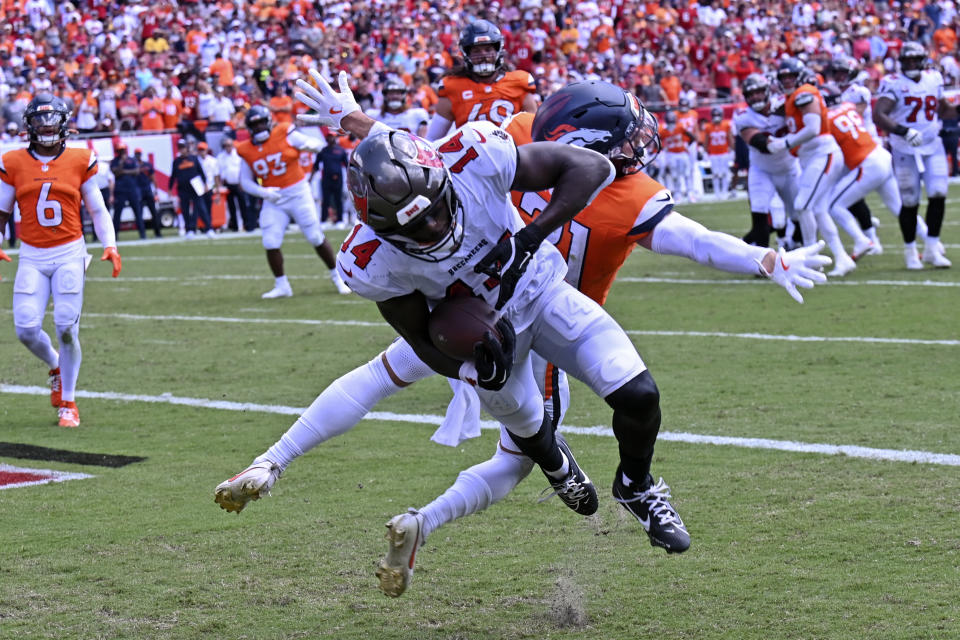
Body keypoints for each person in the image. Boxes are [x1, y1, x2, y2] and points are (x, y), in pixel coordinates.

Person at [215, 73, 831, 596]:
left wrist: (764, 260)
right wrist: (469, 363)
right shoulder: (385, 242)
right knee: (518, 435)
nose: (431, 225)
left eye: (436, 211)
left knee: (637, 397)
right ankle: (548, 464)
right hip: (481, 335)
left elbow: (688, 237)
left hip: (547, 296)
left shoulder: (505, 157)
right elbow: (409, 172)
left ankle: (632, 486)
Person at [0, 93, 122, 428]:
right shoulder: (13, 161)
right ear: (29, 125)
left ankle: (68, 402)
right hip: (32, 254)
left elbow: (97, 209)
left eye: (52, 119)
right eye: (40, 120)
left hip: (69, 251)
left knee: (67, 327)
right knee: (25, 329)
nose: (47, 126)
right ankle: (55, 364)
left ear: (64, 122)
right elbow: (1, 212)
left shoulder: (81, 158)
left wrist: (110, 243)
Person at [235, 105, 350, 297]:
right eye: (254, 125)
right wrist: (264, 192)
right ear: (248, 127)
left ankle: (337, 277)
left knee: (315, 236)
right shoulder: (246, 149)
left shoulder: (284, 133)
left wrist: (311, 145)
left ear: (269, 122)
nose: (259, 127)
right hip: (274, 199)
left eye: (262, 122)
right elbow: (245, 182)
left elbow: (309, 143)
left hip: (298, 194)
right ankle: (282, 285)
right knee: (270, 241)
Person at [768, 57, 856, 277]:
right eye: (783, 77)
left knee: (802, 205)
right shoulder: (791, 97)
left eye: (790, 76)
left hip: (822, 153)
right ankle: (842, 258)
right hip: (813, 156)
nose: (787, 81)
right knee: (818, 210)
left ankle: (809, 259)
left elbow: (813, 128)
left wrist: (784, 143)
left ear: (799, 76)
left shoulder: (804, 92)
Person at [874, 41, 955, 268]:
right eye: (906, 60)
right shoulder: (893, 83)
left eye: (914, 60)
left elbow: (943, 109)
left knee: (938, 194)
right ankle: (910, 252)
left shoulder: (934, 79)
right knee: (909, 201)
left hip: (932, 143)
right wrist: (903, 131)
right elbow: (879, 114)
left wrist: (956, 109)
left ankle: (932, 249)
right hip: (904, 147)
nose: (910, 64)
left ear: (922, 61)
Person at [426, 20, 538, 140]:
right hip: (471, 157)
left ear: (498, 51)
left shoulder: (519, 82)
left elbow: (535, 133)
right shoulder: (453, 87)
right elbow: (432, 139)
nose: (483, 55)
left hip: (514, 156)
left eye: (488, 50)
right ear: (466, 54)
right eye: (476, 51)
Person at [735, 73, 801, 250]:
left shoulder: (784, 104)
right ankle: (762, 261)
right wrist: (781, 142)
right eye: (751, 94)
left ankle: (795, 245)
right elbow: (758, 141)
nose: (755, 96)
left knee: (799, 214)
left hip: (789, 168)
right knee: (759, 213)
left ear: (767, 91)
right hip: (762, 169)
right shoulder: (743, 115)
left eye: (758, 92)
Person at [169, 139, 210, 237]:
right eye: (179, 148)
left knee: (201, 208)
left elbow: (201, 172)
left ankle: (209, 228)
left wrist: (205, 184)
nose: (181, 150)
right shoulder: (176, 162)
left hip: (195, 188)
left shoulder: (194, 158)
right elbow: (173, 176)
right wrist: (169, 189)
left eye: (183, 147)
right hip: (183, 189)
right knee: (185, 210)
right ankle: (189, 230)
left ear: (186, 148)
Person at [311, 131, 348, 227]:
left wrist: (351, 178)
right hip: (326, 179)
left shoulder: (341, 150)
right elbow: (316, 165)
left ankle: (340, 221)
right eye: (329, 137)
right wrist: (310, 179)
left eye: (332, 137)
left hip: (338, 179)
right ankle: (323, 220)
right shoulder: (323, 151)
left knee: (338, 200)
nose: (331, 139)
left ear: (335, 138)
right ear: (326, 138)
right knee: (325, 200)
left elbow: (347, 165)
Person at [217, 136, 254, 232]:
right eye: (226, 146)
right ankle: (234, 226)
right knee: (231, 206)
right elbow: (219, 171)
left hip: (238, 183)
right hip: (228, 184)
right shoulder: (221, 157)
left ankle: (247, 225)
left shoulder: (238, 155)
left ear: (232, 146)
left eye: (229, 145)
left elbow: (242, 169)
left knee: (243, 205)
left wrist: (243, 181)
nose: (228, 147)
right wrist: (221, 183)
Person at [110, 144, 145, 240]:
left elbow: (136, 171)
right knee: (117, 213)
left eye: (123, 150)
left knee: (137, 212)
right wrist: (121, 162)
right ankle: (115, 236)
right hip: (120, 190)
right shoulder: (115, 161)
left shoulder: (131, 160)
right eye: (120, 150)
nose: (122, 152)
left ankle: (142, 234)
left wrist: (124, 172)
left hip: (132, 189)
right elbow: (115, 172)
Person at [702, 106, 734, 199]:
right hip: (713, 154)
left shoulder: (726, 125)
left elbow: (730, 138)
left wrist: (732, 150)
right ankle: (717, 193)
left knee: (724, 173)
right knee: (715, 174)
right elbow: (706, 141)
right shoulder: (708, 127)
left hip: (724, 153)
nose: (716, 116)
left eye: (718, 114)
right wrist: (705, 152)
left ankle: (724, 192)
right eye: (714, 115)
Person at [133, 148, 162, 238]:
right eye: (136, 154)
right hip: (138, 190)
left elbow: (153, 178)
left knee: (153, 212)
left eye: (139, 154)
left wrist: (156, 191)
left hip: (147, 189)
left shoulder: (147, 165)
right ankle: (142, 234)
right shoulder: (133, 165)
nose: (138, 156)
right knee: (139, 214)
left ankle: (157, 233)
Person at [197, 141, 219, 236]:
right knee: (201, 209)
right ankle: (206, 226)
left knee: (208, 208)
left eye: (203, 150)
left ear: (206, 150)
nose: (201, 152)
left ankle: (208, 227)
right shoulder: (196, 161)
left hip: (209, 187)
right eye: (200, 150)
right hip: (199, 188)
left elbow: (216, 176)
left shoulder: (213, 161)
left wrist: (217, 190)